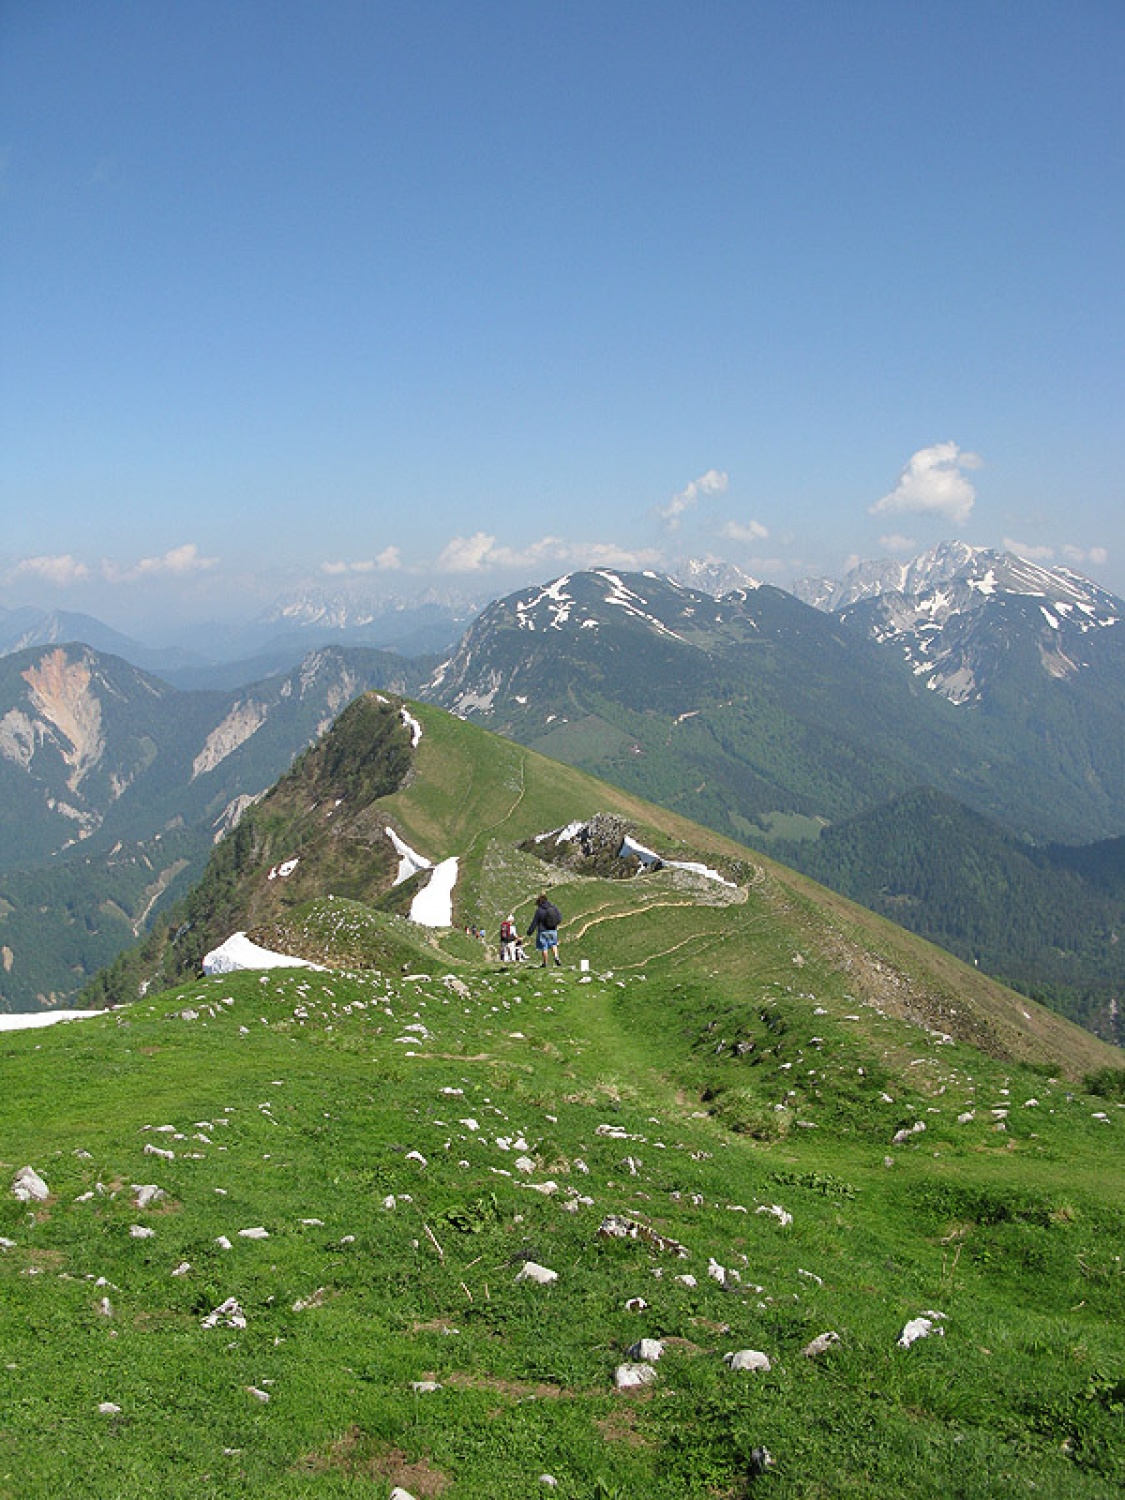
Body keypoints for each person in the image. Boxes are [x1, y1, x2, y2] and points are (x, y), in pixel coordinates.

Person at [527, 892, 562, 967]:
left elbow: (535, 922)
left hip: (543, 931)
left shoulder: (539, 910)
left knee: (544, 947)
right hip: (553, 930)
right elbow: (559, 918)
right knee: (554, 944)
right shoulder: (553, 907)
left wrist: (530, 932)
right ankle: (556, 957)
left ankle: (545, 963)